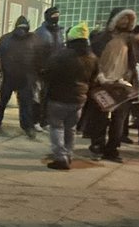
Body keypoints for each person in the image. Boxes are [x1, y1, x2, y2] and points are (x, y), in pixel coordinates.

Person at [41, 22, 99, 170]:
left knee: (56, 127)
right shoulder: (92, 57)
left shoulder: (61, 55)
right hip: (79, 98)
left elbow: (48, 74)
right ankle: (69, 154)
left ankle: (61, 157)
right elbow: (94, 78)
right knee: (71, 128)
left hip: (58, 97)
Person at [86, 8, 138, 162]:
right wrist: (100, 76)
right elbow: (93, 59)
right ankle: (97, 145)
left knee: (119, 120)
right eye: (123, 19)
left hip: (121, 84)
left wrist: (129, 78)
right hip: (102, 83)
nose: (125, 22)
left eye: (128, 20)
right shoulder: (102, 39)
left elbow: (132, 62)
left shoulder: (129, 40)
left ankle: (112, 148)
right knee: (100, 117)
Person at [0, 15, 40, 138]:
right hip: (24, 77)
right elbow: (39, 58)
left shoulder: (6, 39)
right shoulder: (33, 39)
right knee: (25, 104)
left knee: (4, 102)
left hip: (12, 76)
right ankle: (27, 127)